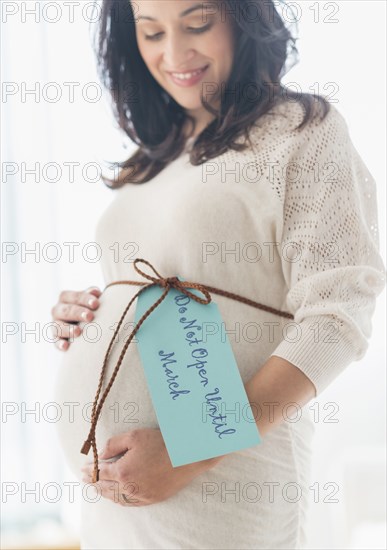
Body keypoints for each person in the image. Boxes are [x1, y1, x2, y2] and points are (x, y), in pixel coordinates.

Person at [51, 1, 386, 549]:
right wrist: (87, 318)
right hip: (115, 509)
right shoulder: (152, 156)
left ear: (243, 17)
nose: (174, 53)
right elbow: (150, 307)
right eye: (152, 32)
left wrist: (193, 448)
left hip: (224, 491)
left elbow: (338, 317)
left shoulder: (302, 131)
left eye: (198, 24)